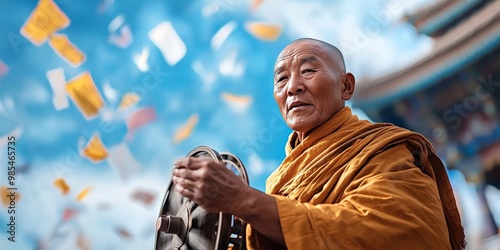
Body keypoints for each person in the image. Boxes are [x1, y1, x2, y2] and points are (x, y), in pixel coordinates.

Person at [172, 38, 466, 250]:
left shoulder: (382, 149)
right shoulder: (280, 181)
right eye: (281, 79)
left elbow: (402, 234)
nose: (293, 87)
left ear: (346, 86)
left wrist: (244, 201)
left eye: (309, 71)